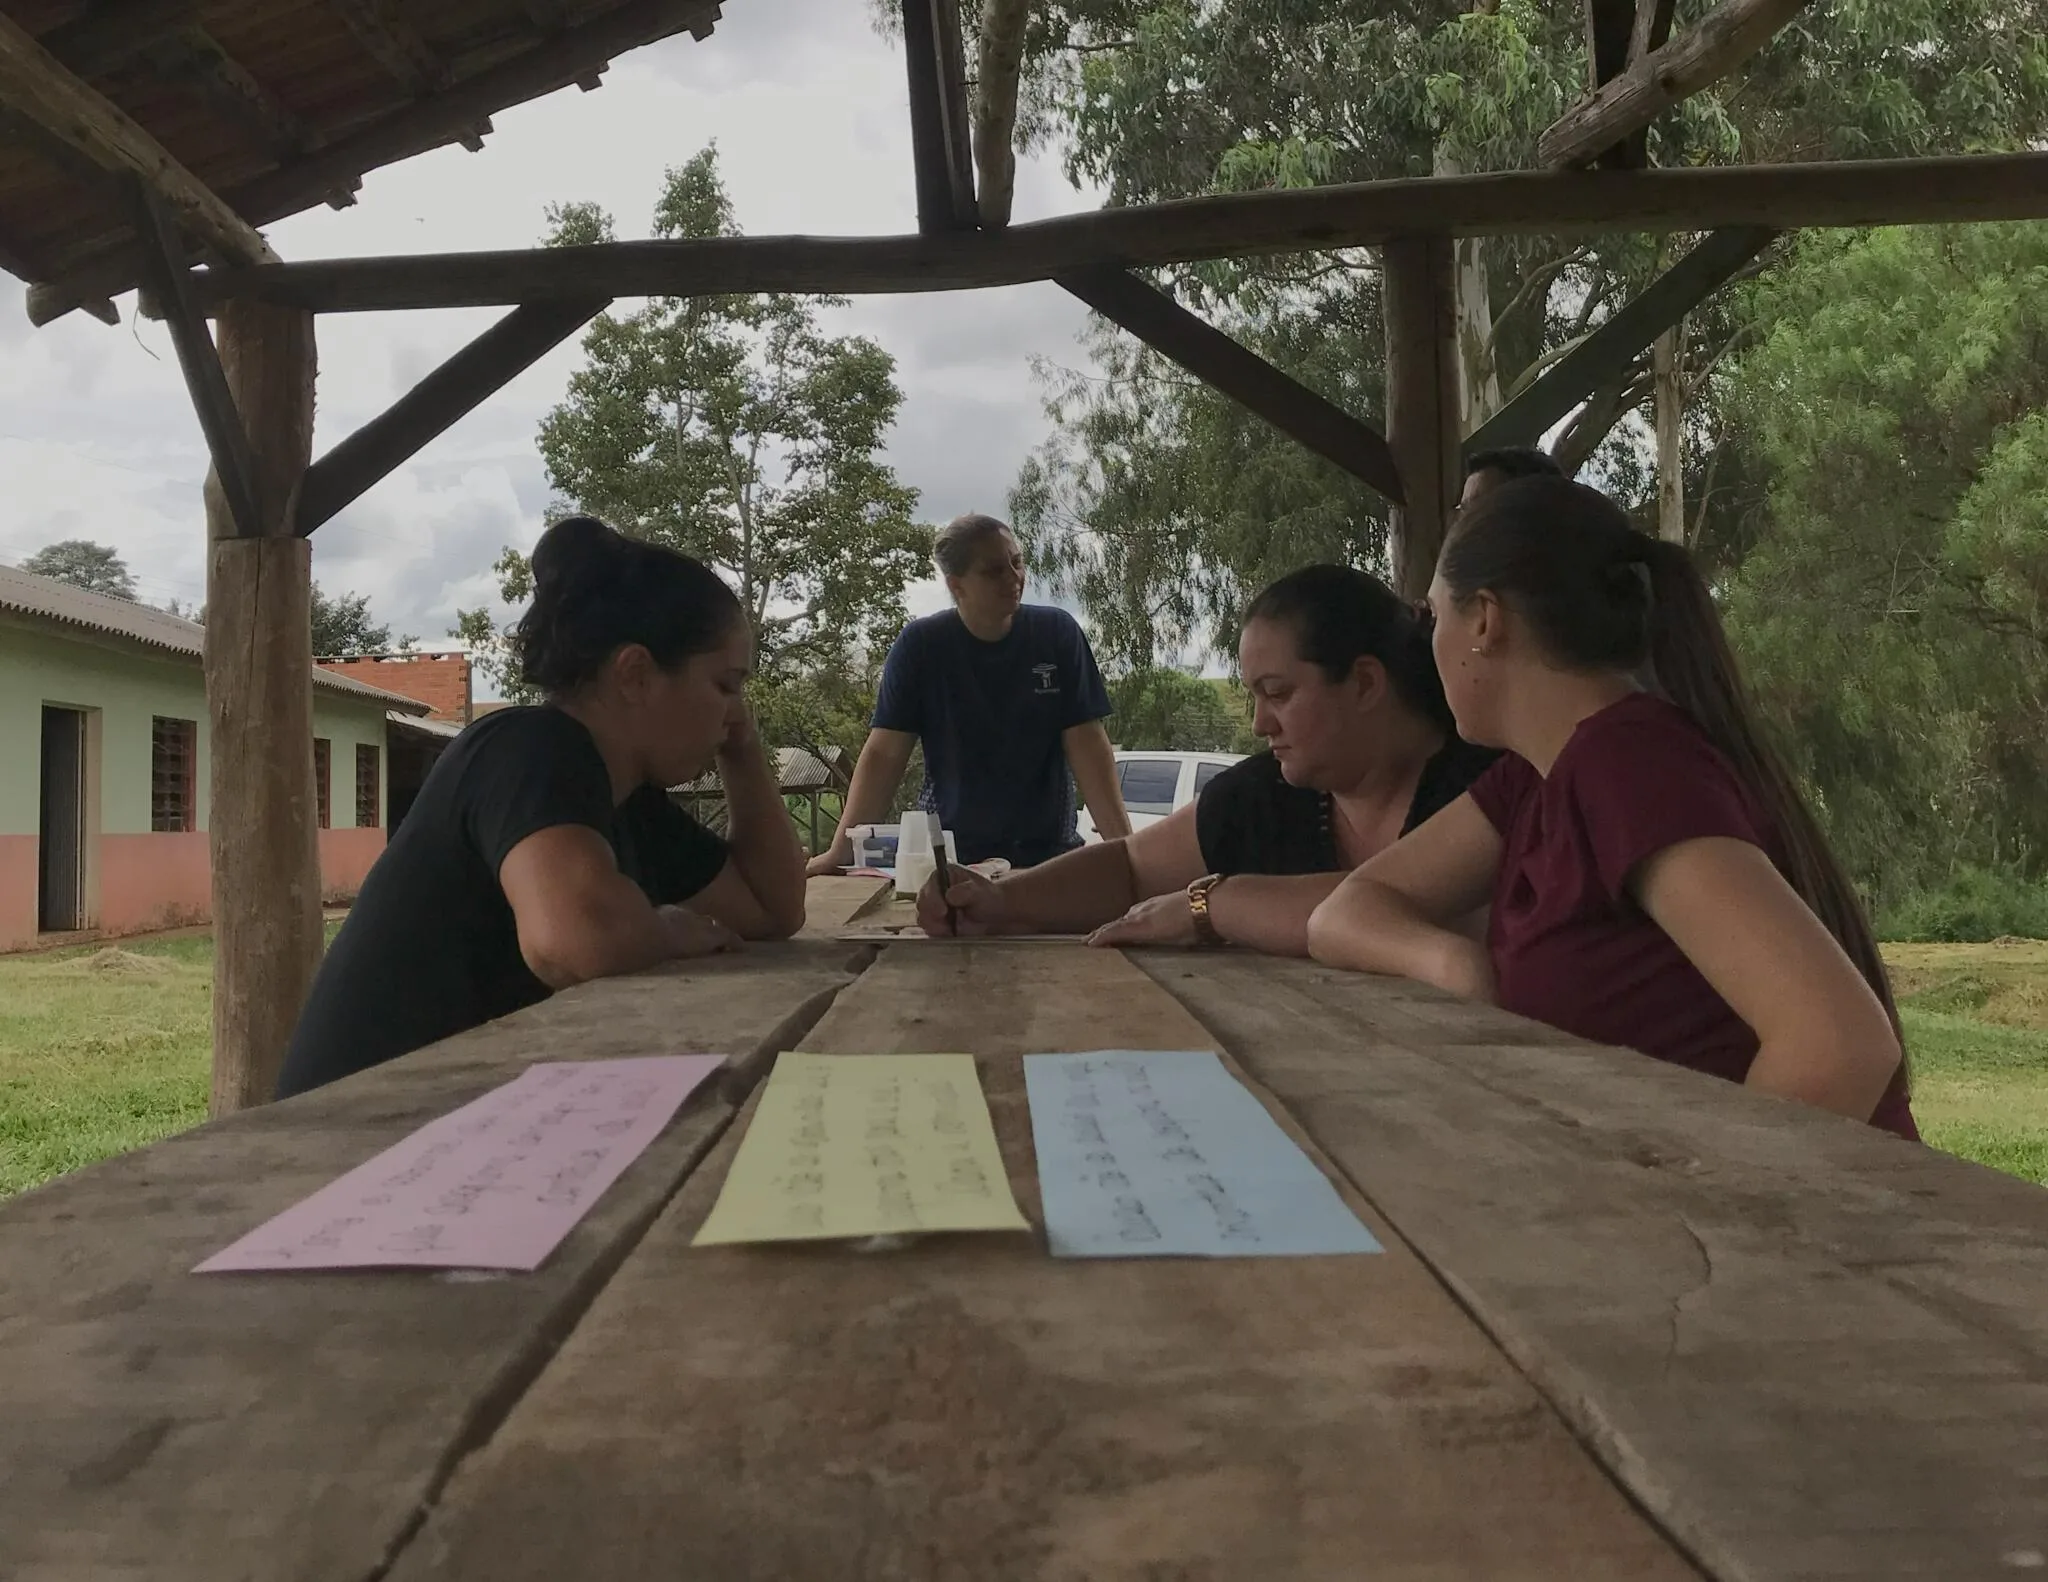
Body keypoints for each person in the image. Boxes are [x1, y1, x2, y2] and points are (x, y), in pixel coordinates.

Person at [1306, 476, 1916, 1137]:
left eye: (1433, 616)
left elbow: (1839, 1046)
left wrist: (1693, 1205)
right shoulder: (1535, 778)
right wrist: (1454, 966)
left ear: (1484, 619)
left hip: (1825, 1226)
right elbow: (1347, 912)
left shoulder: (1628, 767)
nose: (1429, 644)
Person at [276, 516, 806, 1099]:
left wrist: (743, 747)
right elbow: (574, 939)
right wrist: (673, 930)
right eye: (726, 685)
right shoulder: (528, 751)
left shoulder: (626, 797)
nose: (735, 712)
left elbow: (771, 910)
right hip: (341, 1144)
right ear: (635, 674)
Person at [916, 563, 1497, 952]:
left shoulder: (1493, 790)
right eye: (1254, 696)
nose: (1258, 723)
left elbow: (1417, 910)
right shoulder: (1266, 793)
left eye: (1278, 694)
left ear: (1366, 684)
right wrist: (1000, 901)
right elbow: (1131, 870)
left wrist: (1213, 904)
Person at [808, 513, 1131, 872]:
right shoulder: (922, 647)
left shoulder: (1057, 635)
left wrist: (1125, 848)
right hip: (949, 859)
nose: (1014, 577)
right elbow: (884, 755)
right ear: (956, 585)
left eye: (1017, 562)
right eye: (994, 570)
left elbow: (1088, 747)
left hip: (1047, 854)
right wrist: (840, 851)